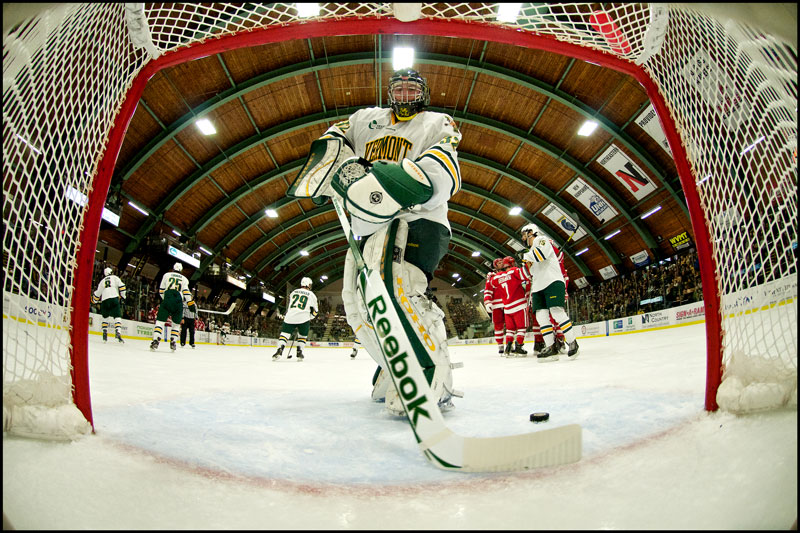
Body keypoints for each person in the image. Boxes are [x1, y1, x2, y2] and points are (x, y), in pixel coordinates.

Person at [290, 68, 463, 416]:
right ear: (389, 93)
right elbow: (331, 143)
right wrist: (329, 173)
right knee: (361, 302)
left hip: (417, 220)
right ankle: (394, 363)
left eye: (411, 89)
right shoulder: (363, 119)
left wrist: (387, 184)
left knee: (401, 290)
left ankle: (429, 371)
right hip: (369, 226)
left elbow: (442, 169)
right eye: (398, 89)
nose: (404, 96)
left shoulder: (437, 122)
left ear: (423, 94)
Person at [520, 224, 579, 361]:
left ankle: (572, 342)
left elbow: (540, 256)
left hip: (552, 281)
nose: (523, 238)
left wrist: (526, 256)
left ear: (531, 232)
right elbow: (529, 273)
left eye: (524, 234)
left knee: (556, 311)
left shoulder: (542, 240)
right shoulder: (530, 251)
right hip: (538, 286)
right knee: (541, 317)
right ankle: (551, 347)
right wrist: (526, 264)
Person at [489, 256, 529, 356]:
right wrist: (526, 263)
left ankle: (508, 348)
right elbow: (526, 274)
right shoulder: (514, 271)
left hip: (507, 308)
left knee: (510, 330)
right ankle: (519, 346)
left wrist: (491, 276)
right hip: (519, 305)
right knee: (521, 328)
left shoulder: (498, 277)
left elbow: (492, 283)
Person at [151, 262, 196, 352]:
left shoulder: (166, 275)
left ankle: (156, 339)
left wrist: (166, 299)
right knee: (176, 324)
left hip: (167, 299)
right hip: (178, 303)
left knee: (160, 322)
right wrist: (190, 304)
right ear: (181, 270)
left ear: (173, 268)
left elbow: (161, 290)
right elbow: (186, 292)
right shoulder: (184, 279)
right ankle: (173, 341)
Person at [272, 277, 318, 361]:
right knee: (302, 336)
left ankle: (280, 350)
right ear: (308, 285)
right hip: (304, 318)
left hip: (290, 316)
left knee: (284, 335)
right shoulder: (311, 295)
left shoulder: (293, 292)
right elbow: (315, 311)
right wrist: (310, 317)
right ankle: (299, 352)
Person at [92, 266, 127, 343]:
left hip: (104, 300)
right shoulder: (115, 278)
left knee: (105, 317)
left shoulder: (102, 281)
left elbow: (97, 293)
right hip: (114, 297)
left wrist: (94, 300)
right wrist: (123, 296)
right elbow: (122, 287)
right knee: (117, 316)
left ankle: (104, 333)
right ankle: (118, 332)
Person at [484, 257, 507, 356]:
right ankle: (500, 344)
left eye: (502, 262)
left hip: (507, 303)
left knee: (510, 325)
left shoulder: (507, 273)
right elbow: (488, 289)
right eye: (499, 263)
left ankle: (510, 344)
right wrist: (487, 301)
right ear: (495, 265)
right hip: (496, 305)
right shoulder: (491, 276)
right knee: (498, 325)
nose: (502, 264)